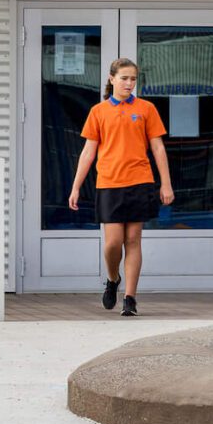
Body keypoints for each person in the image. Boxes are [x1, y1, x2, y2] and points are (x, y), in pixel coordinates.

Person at [67, 57, 174, 317]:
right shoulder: (98, 112)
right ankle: (113, 279)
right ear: (112, 79)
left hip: (140, 182)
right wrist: (76, 187)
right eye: (124, 78)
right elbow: (87, 153)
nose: (129, 83)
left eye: (133, 79)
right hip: (109, 183)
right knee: (113, 243)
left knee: (133, 240)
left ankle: (130, 298)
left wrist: (166, 184)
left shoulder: (147, 108)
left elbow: (158, 148)